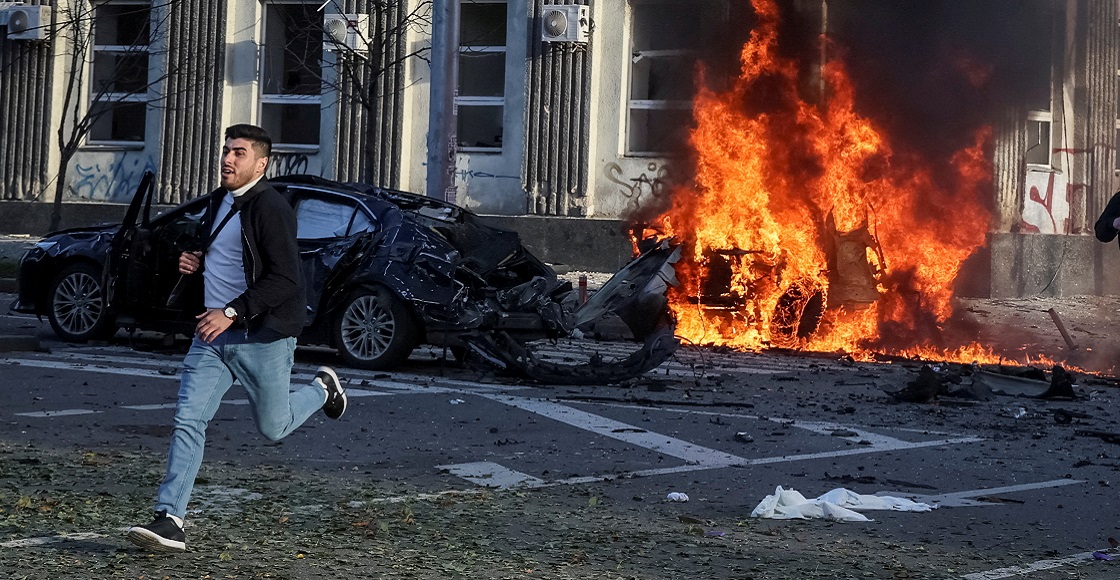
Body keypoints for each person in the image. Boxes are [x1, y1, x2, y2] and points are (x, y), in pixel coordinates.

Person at [126, 124, 347, 552]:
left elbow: (286, 279)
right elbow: (220, 252)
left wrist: (231, 312)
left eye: (239, 153)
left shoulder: (271, 208)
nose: (227, 159)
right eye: (226, 150)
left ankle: (322, 388)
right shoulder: (218, 200)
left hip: (260, 336)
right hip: (211, 336)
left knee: (274, 427)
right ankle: (170, 519)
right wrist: (193, 259)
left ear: (261, 164)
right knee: (188, 420)